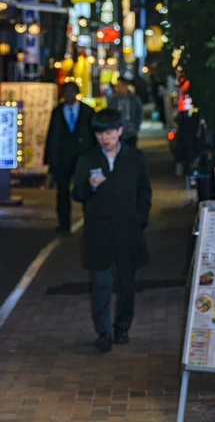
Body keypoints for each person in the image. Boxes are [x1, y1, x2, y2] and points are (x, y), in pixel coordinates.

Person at [73, 109, 152, 353]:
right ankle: (104, 332)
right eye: (99, 133)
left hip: (128, 231)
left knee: (127, 285)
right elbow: (77, 194)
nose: (104, 138)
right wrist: (90, 186)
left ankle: (122, 327)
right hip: (99, 232)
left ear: (119, 131)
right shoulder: (87, 159)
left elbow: (144, 191)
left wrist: (139, 219)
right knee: (101, 283)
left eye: (109, 132)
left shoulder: (135, 157)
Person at [44, 81, 94, 233]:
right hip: (62, 158)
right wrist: (50, 160)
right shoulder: (57, 112)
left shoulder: (87, 112)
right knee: (62, 191)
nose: (69, 95)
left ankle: (90, 222)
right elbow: (51, 136)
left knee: (86, 189)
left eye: (72, 92)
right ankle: (64, 224)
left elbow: (92, 136)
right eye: (66, 92)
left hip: (83, 156)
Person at [107, 77, 143, 148]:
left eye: (119, 86)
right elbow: (109, 114)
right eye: (116, 86)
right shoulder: (112, 99)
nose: (117, 89)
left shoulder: (134, 99)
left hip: (131, 132)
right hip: (117, 133)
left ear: (125, 86)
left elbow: (139, 114)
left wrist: (136, 128)